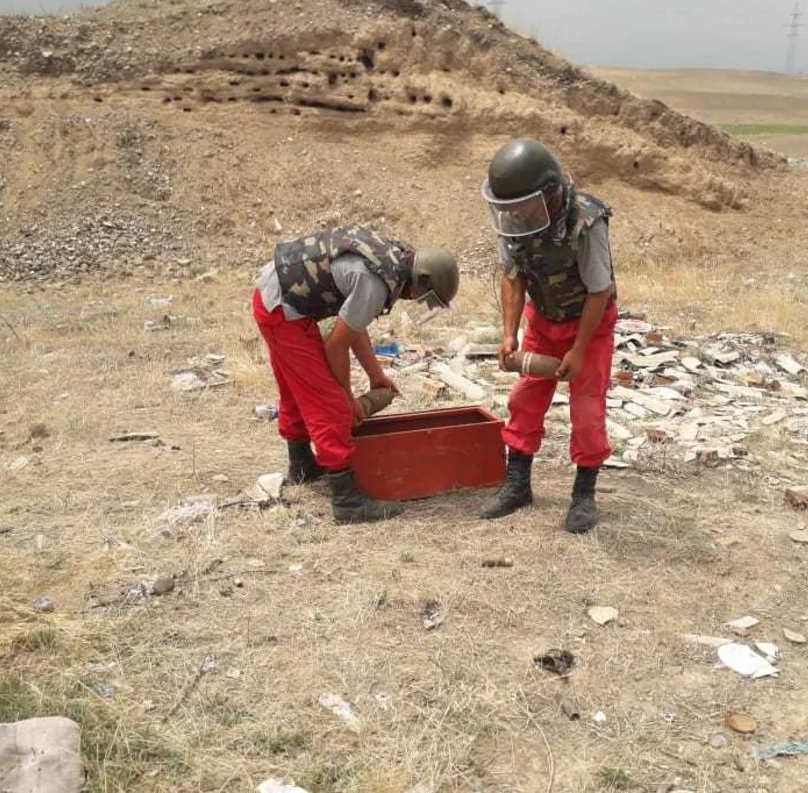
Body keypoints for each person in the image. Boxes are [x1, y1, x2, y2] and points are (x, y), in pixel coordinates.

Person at [252, 226, 459, 524]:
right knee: (329, 402)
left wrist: (377, 376)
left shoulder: (390, 260)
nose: (417, 301)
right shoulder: (376, 282)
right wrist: (347, 398)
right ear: (421, 281)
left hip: (276, 297)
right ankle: (346, 501)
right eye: (423, 297)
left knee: (297, 389)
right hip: (281, 310)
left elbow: (353, 324)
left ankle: (302, 465)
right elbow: (336, 347)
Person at [478, 138, 618, 533]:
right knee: (524, 399)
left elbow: (599, 291)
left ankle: (584, 494)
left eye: (524, 204)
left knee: (587, 412)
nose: (515, 213)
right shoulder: (514, 219)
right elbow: (512, 276)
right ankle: (518, 484)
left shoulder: (586, 221)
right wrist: (509, 334)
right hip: (543, 319)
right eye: (510, 206)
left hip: (589, 324)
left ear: (549, 193)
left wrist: (578, 350)